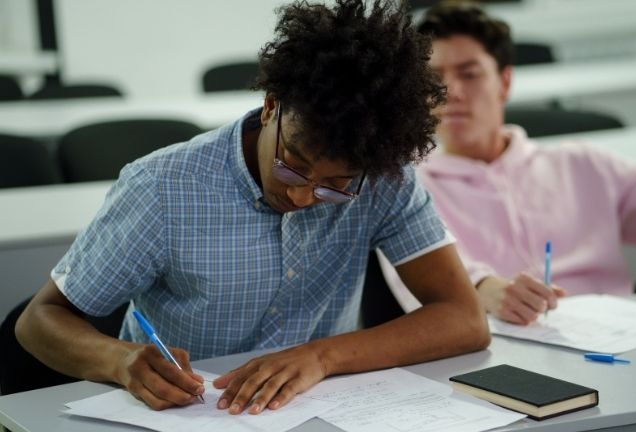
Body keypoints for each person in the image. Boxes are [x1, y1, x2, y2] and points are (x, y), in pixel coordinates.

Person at [15, 0, 490, 415]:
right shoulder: (163, 188)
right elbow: (39, 323)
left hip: (319, 410)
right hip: (184, 413)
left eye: (335, 187)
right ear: (271, 106)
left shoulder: (383, 177)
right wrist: (120, 361)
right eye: (293, 166)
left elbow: (464, 319)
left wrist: (321, 357)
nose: (303, 197)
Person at [382, 0, 636, 325]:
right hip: (494, 354)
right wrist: (486, 289)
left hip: (615, 337)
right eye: (433, 78)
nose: (451, 92)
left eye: (469, 74)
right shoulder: (405, 189)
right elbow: (429, 276)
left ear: (504, 82)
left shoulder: (582, 165)